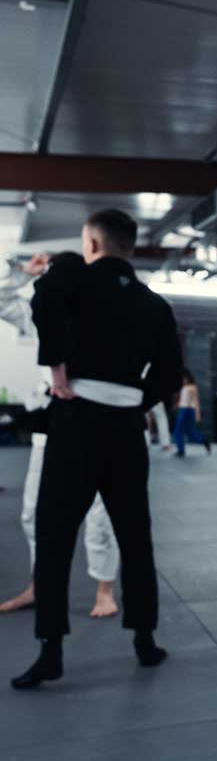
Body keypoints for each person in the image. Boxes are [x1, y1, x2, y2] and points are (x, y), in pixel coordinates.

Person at [11, 208, 183, 690]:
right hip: (126, 427)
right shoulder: (155, 304)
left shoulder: (73, 277)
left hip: (76, 419)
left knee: (55, 536)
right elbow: (170, 375)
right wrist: (134, 401)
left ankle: (50, 651)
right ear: (130, 246)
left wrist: (57, 368)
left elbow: (44, 300)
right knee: (135, 536)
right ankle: (145, 640)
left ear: (91, 243)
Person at [0, 252, 120, 619]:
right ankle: (40, 586)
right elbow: (2, 300)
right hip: (51, 423)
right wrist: (23, 273)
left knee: (100, 513)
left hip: (95, 421)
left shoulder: (103, 315)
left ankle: (104, 591)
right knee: (34, 512)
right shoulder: (37, 313)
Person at [171, 369, 211, 456]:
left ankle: (182, 450)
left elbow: (196, 401)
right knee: (187, 431)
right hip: (183, 409)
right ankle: (203, 442)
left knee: (184, 431)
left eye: (184, 378)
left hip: (188, 410)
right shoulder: (183, 387)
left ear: (188, 378)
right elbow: (183, 399)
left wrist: (197, 413)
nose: (183, 380)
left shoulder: (192, 387)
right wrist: (177, 405)